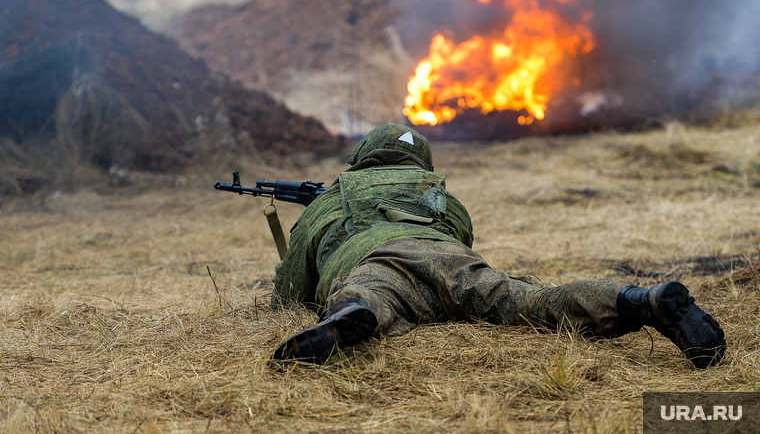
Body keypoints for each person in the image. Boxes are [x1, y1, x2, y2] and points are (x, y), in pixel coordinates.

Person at [270, 124, 726, 369]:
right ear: (420, 163)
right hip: (457, 263)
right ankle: (640, 301)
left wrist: (283, 304)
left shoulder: (333, 197)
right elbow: (461, 237)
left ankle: (351, 314)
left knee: (371, 291)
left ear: (364, 157)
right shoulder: (444, 198)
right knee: (532, 300)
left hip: (378, 259)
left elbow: (293, 281)